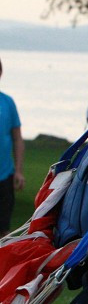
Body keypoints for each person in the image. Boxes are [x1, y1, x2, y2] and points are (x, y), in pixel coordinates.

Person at [0, 57, 25, 234]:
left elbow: (17, 139)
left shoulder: (8, 102)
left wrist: (18, 170)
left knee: (3, 231)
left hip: (4, 177)